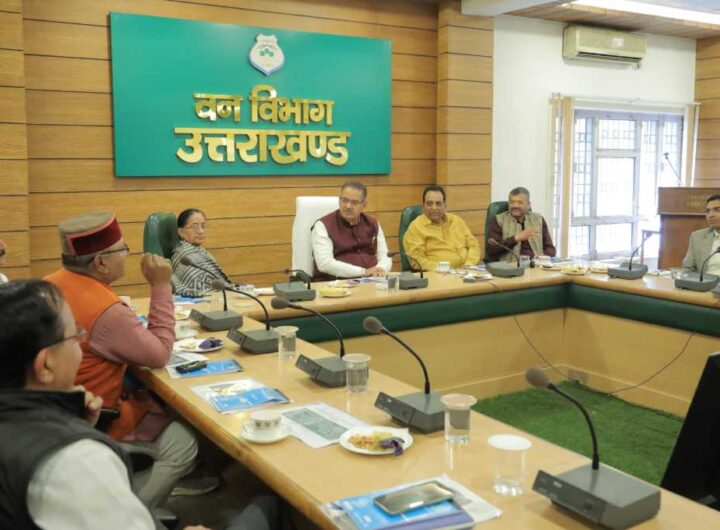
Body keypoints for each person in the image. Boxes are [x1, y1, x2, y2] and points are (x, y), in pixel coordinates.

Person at [0, 279, 290, 530]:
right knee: (270, 505)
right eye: (75, 336)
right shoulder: (76, 460)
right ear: (45, 365)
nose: (80, 346)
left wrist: (75, 423)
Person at [44, 211, 201, 510]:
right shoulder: (107, 312)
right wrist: (161, 285)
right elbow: (159, 355)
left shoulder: (49, 285)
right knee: (184, 442)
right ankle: (130, 512)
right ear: (101, 262)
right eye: (122, 249)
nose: (127, 255)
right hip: (96, 419)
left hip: (56, 417)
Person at [311, 181, 392, 281]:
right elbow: (325, 263)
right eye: (344, 200)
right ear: (339, 200)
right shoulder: (323, 225)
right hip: (335, 284)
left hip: (372, 281)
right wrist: (364, 272)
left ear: (364, 205)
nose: (348, 206)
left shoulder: (372, 223)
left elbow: (385, 256)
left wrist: (381, 269)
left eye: (354, 202)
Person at [402, 184, 480, 271]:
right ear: (423, 206)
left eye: (438, 203)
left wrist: (469, 264)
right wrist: (446, 270)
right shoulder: (416, 228)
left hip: (468, 272)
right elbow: (417, 261)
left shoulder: (456, 221)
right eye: (429, 204)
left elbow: (474, 245)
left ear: (445, 206)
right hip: (438, 275)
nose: (434, 208)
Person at [172, 208, 233, 297]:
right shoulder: (185, 255)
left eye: (203, 226)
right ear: (181, 232)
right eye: (194, 227)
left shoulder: (199, 250)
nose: (201, 231)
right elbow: (202, 289)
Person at [485, 187, 556, 262]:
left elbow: (550, 248)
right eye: (512, 202)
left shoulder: (538, 219)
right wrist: (516, 238)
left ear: (528, 204)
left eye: (520, 202)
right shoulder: (499, 220)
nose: (515, 206)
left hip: (536, 264)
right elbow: (491, 250)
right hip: (510, 266)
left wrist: (543, 256)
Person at [682, 194, 720, 276]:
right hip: (705, 283)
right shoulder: (698, 237)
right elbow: (688, 268)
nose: (711, 215)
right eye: (708, 211)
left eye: (717, 210)